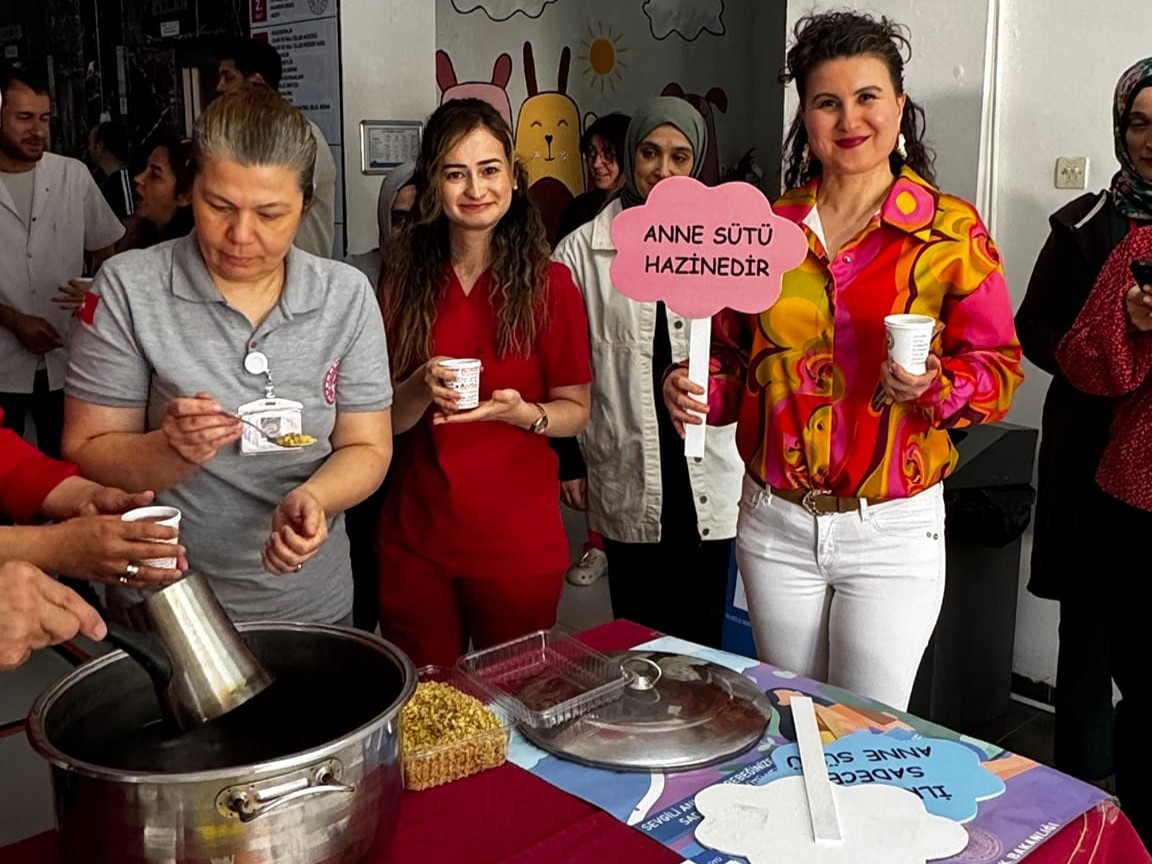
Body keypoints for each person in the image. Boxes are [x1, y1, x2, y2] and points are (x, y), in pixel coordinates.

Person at [664, 11, 1023, 710]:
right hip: (776, 522)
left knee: (865, 728)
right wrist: (695, 386)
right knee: (790, 716)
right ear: (806, 116)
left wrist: (936, 386)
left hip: (891, 527)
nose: (850, 119)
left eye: (867, 97)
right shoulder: (765, 232)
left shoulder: (951, 233)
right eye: (828, 102)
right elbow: (734, 363)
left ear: (899, 106)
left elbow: (999, 371)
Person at [61, 88, 393, 625]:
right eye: (219, 207)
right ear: (191, 189)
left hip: (308, 602)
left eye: (270, 214)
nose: (241, 236)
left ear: (306, 202)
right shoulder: (130, 288)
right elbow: (87, 446)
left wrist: (316, 498)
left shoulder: (345, 296)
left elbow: (368, 444)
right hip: (166, 603)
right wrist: (169, 449)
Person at [376, 98, 592, 667]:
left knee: (512, 698)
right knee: (427, 703)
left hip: (516, 544)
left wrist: (522, 414)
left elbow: (575, 409)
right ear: (433, 184)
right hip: (417, 541)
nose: (475, 188)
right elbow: (383, 421)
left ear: (513, 178)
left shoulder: (550, 285)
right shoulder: (402, 283)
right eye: (456, 173)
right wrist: (419, 384)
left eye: (489, 170)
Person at [553, 98, 743, 650]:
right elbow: (561, 366)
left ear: (697, 162)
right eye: (650, 153)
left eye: (680, 157)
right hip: (628, 463)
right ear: (632, 156)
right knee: (639, 637)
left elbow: (748, 350)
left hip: (708, 469)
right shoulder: (581, 252)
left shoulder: (726, 243)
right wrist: (569, 459)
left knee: (705, 643)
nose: (663, 170)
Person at [1015, 57, 1152, 790]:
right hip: (1087, 459)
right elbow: (1032, 326)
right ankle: (1077, 800)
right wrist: (1102, 348)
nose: (1151, 140)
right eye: (1139, 123)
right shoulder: (1086, 226)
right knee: (1089, 638)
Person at [1055, 67, 1152, 848]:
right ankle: (1097, 827)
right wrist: (1131, 325)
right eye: (1141, 121)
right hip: (1119, 484)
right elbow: (1082, 357)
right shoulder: (1124, 240)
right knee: (1105, 658)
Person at [0, 63, 124, 458]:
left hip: (68, 356)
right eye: (24, 118)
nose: (38, 131)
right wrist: (13, 320)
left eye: (44, 118)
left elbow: (106, 255)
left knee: (70, 466)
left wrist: (91, 299)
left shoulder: (73, 176)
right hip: (2, 363)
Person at [217, 38, 337, 259]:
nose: (220, 87)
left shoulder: (300, 135)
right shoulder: (239, 135)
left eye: (229, 77)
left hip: (298, 273)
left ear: (256, 82)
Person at [555, 112, 630, 243]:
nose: (596, 163)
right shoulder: (579, 209)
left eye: (608, 154)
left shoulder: (640, 209)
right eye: (591, 152)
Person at [346, 161, 417, 288]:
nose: (409, 231)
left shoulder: (449, 279)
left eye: (418, 220)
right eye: (399, 220)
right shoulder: (354, 275)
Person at [127, 134, 195, 248]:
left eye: (154, 174)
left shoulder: (184, 252)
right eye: (145, 168)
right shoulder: (137, 234)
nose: (138, 178)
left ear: (185, 196)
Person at [88, 120, 134, 222]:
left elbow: (131, 223)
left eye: (90, 143)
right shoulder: (107, 181)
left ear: (99, 146)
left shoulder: (122, 181)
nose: (89, 149)